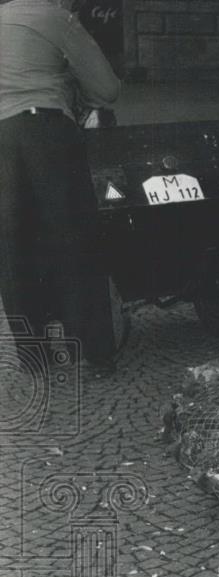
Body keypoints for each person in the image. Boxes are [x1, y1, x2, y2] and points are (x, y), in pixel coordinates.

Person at [0, 0, 121, 371]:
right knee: (75, 238)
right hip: (45, 133)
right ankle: (96, 353)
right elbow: (107, 88)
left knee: (13, 246)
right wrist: (72, 93)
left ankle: (34, 356)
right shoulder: (57, 18)